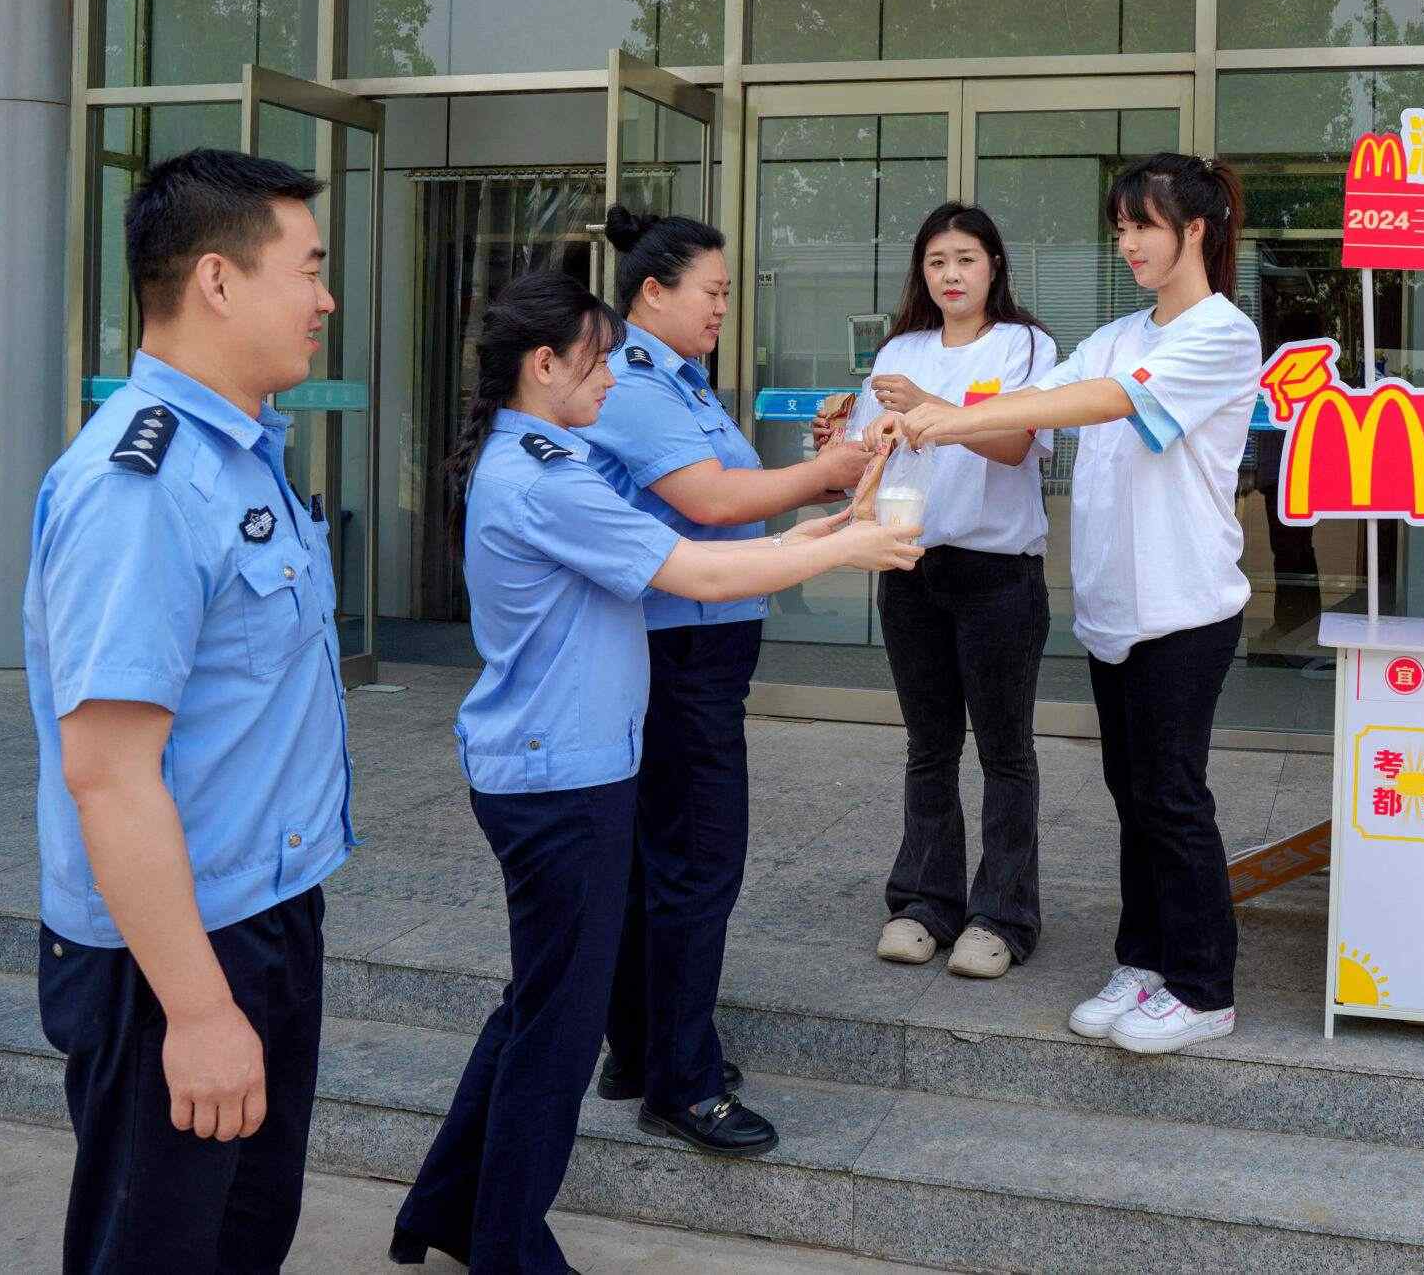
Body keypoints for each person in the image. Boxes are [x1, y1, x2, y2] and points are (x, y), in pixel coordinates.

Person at [393, 271, 917, 1271]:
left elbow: (699, 550)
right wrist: (847, 549)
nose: (610, 383)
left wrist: (823, 526)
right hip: (559, 781)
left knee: (537, 1002)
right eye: (596, 365)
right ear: (541, 368)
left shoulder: (545, 456)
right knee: (559, 1022)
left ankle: (445, 1208)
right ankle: (506, 1242)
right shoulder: (544, 475)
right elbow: (701, 571)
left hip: (565, 767)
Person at [25, 149, 355, 1273]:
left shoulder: (242, 456)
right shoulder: (144, 485)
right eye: (307, 269)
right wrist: (202, 1015)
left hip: (259, 914)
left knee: (239, 1239)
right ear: (217, 280)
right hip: (171, 954)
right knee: (160, 1250)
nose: (324, 298)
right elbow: (108, 773)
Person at [900, 154, 1260, 1056]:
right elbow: (1035, 399)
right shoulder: (1117, 332)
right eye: (1122, 227)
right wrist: (917, 409)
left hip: (1185, 606)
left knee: (1174, 799)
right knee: (1132, 794)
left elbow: (1102, 402)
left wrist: (947, 415)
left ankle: (1205, 985)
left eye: (1144, 225)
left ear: (1196, 232)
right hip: (1115, 610)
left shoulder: (1219, 333)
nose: (1129, 242)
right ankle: (1144, 960)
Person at [579, 208, 876, 1154]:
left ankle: (645, 1045)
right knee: (699, 863)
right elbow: (706, 498)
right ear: (652, 292)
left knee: (662, 856)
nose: (721, 309)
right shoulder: (632, 381)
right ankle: (683, 1081)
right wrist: (821, 471)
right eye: (710, 292)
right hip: (679, 653)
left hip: (697, 647)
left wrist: (822, 474)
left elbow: (729, 490)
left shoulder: (680, 381)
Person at [833, 203, 1057, 980]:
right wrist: (851, 433)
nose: (951, 274)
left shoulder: (1027, 345)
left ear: (994, 265)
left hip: (998, 573)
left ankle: (1003, 913)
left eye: (966, 258)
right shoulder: (899, 349)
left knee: (1005, 751)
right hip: (911, 564)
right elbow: (870, 452)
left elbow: (1016, 441)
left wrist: (933, 408)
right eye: (936, 261)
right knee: (928, 746)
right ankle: (924, 902)